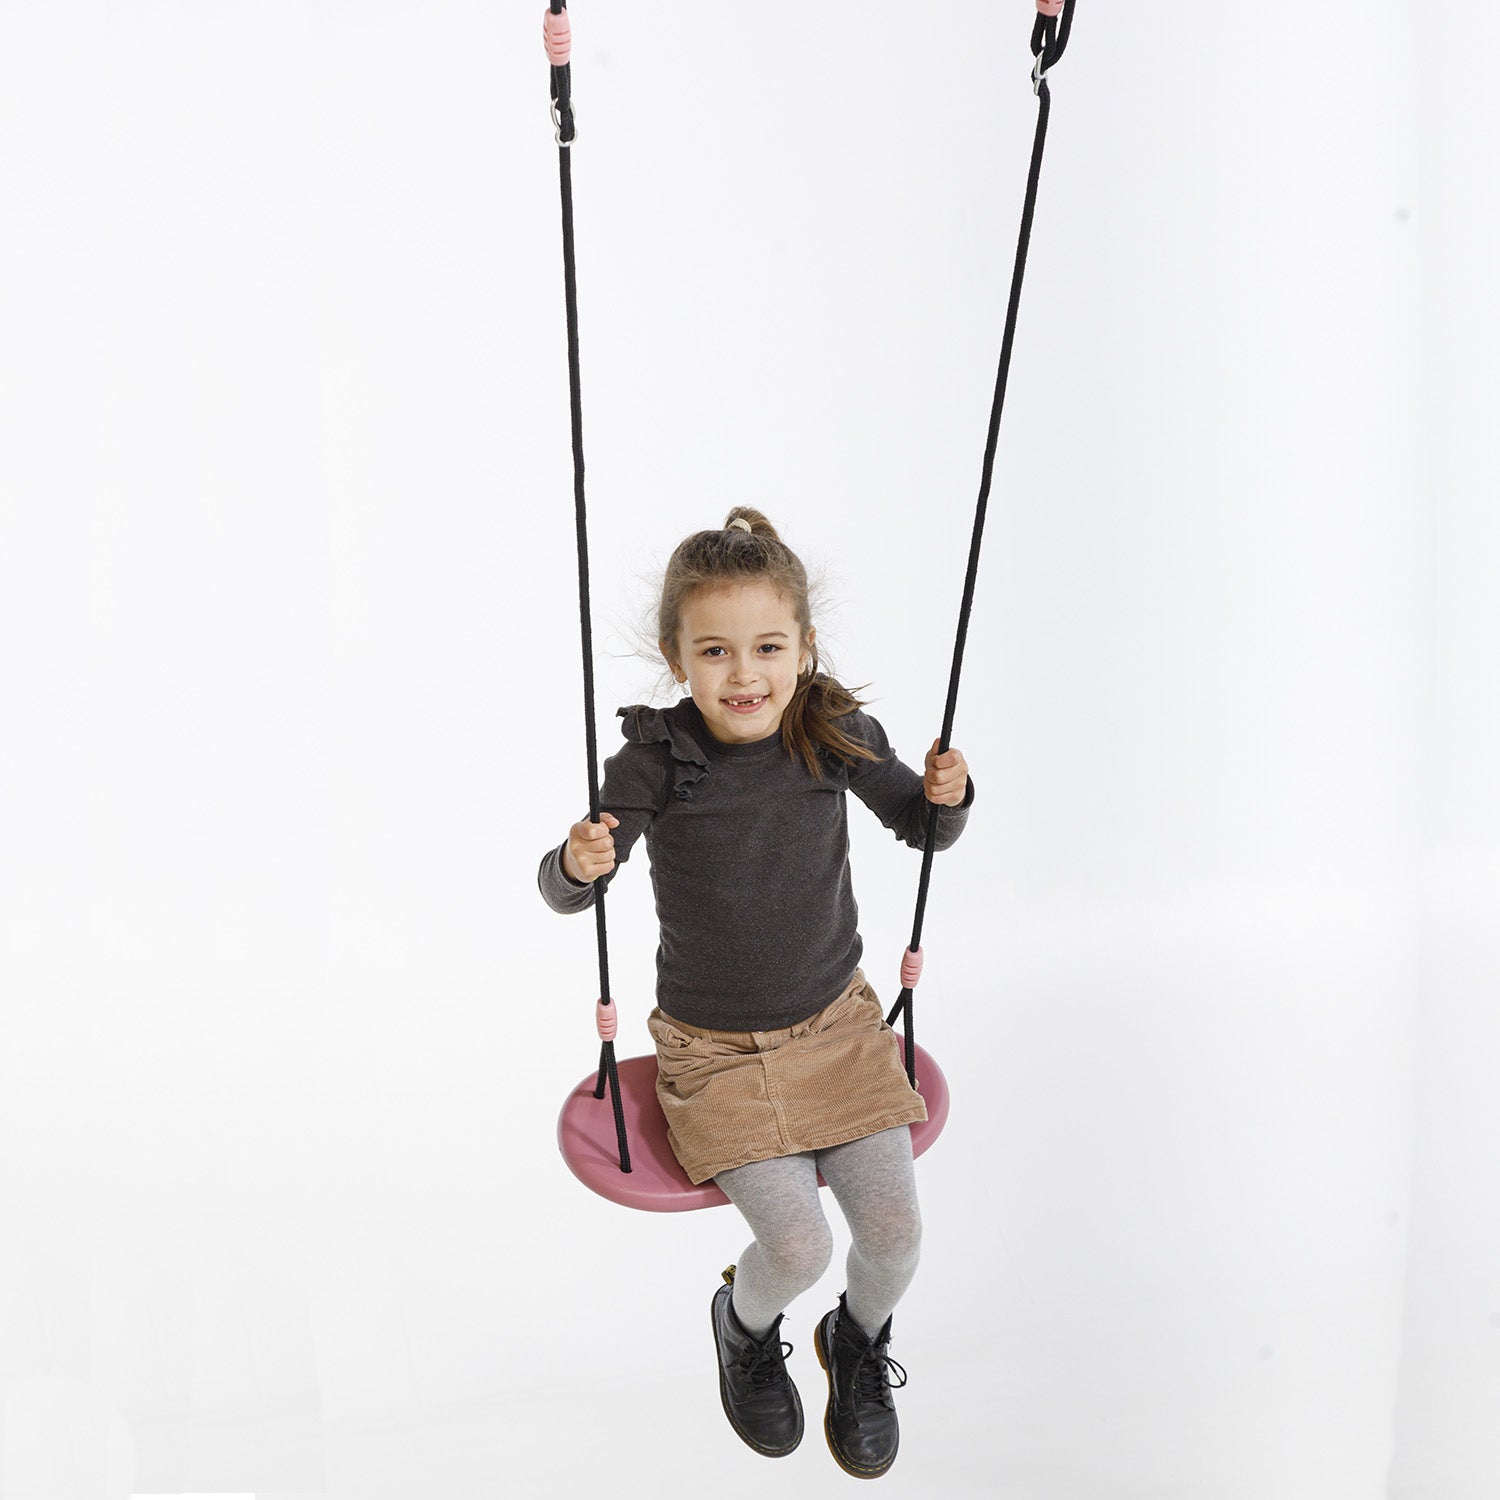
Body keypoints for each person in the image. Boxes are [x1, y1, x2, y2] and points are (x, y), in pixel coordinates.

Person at [538, 507, 972, 1479]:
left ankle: (856, 1341)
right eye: (716, 651)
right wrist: (575, 863)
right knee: (798, 1247)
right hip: (716, 1055)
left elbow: (924, 826)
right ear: (677, 659)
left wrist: (948, 795)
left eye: (768, 647)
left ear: (805, 647)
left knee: (895, 1238)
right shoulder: (659, 760)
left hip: (837, 1032)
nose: (745, 673)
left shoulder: (833, 731)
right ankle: (742, 1327)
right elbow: (571, 890)